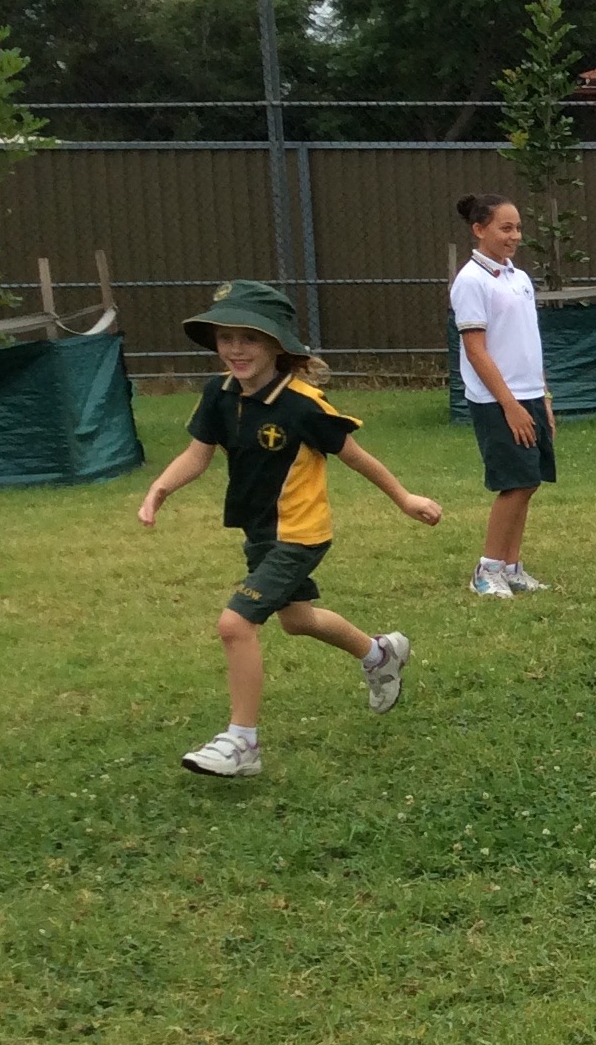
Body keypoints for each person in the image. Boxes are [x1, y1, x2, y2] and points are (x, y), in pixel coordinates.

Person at [138, 280, 442, 777]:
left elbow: (356, 457)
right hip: (259, 535)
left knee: (235, 625)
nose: (236, 349)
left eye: (249, 338)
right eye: (226, 338)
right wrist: (160, 488)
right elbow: (197, 454)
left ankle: (242, 743)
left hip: (300, 535)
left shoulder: (303, 405)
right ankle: (379, 654)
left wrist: (405, 498)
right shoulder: (218, 393)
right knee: (297, 619)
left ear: (277, 344)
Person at [451, 192, 555, 596]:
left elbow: (528, 342)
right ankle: (487, 571)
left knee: (529, 481)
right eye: (505, 228)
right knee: (514, 483)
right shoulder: (470, 281)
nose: (515, 236)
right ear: (479, 230)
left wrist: (543, 397)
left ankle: (511, 568)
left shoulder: (519, 278)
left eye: (518, 228)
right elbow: (476, 350)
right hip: (497, 401)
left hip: (528, 395)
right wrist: (509, 405)